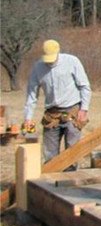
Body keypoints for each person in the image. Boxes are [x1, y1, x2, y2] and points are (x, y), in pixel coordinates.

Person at [23, 39, 91, 171]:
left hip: (72, 110)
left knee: (72, 152)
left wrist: (84, 109)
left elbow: (84, 86)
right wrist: (28, 118)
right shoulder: (38, 67)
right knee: (50, 154)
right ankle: (49, 182)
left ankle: (70, 182)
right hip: (51, 114)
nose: (50, 62)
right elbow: (32, 94)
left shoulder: (72, 62)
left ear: (58, 52)